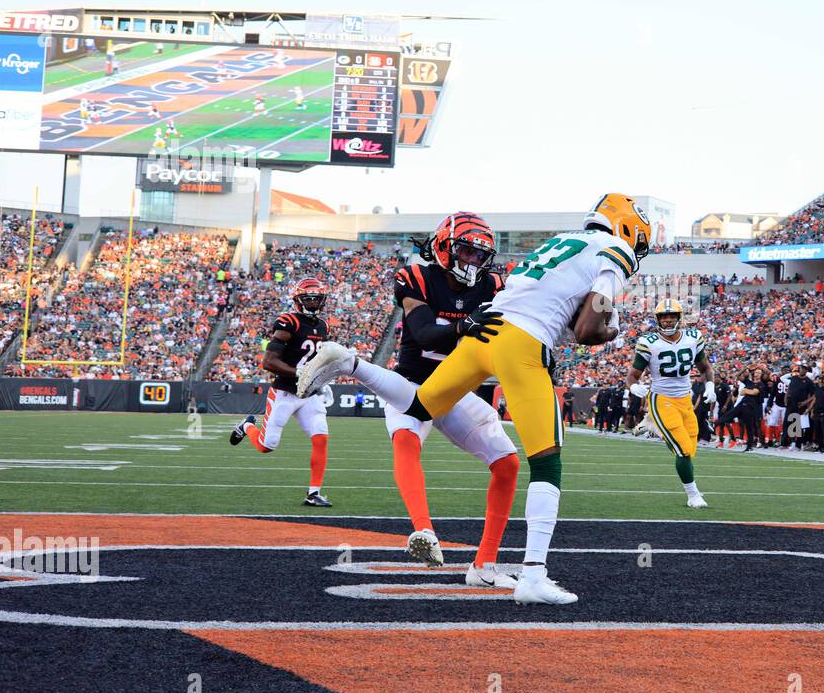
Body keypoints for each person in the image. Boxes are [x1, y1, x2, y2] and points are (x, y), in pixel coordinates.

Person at [300, 192, 652, 605]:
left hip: (484, 333)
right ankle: (534, 575)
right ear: (630, 230)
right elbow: (589, 330)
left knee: (419, 405)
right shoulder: (618, 250)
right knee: (547, 459)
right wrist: (612, 331)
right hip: (522, 342)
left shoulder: (559, 241)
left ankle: (350, 364)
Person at [375, 213, 521, 586]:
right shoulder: (417, 277)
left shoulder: (494, 286)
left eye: (479, 255)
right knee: (406, 441)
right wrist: (461, 325)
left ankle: (484, 566)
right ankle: (423, 531)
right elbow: (424, 333)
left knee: (506, 463)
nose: (473, 260)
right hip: (411, 385)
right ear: (444, 246)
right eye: (466, 251)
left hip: (456, 390)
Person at [229, 277, 333, 507]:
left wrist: (322, 380)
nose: (314, 302)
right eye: (309, 298)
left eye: (318, 298)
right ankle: (247, 426)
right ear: (298, 300)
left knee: (321, 437)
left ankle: (313, 493)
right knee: (267, 446)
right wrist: (300, 374)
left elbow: (318, 359)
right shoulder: (288, 322)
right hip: (285, 392)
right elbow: (269, 361)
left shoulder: (324, 325)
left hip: (309, 395)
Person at [629, 298, 715, 508]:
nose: (667, 321)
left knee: (691, 444)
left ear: (679, 318)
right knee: (683, 450)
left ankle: (654, 426)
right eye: (663, 317)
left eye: (671, 317)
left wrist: (710, 385)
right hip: (661, 399)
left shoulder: (693, 337)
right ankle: (693, 495)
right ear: (658, 319)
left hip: (685, 399)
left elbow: (705, 368)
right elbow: (632, 375)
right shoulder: (648, 342)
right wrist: (633, 387)